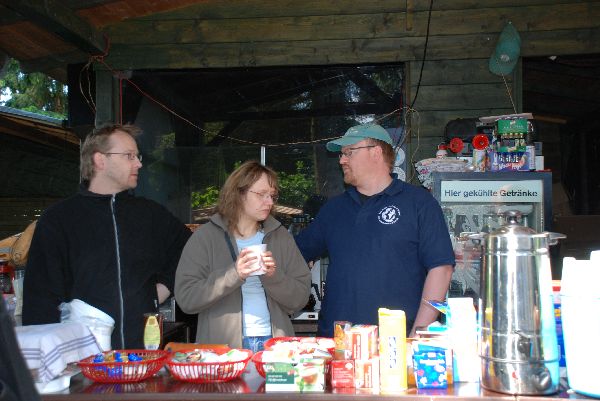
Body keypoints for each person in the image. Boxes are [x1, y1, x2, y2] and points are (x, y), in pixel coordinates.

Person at [22, 124, 192, 349]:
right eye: (129, 156)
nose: (139, 163)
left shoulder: (150, 214)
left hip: (141, 357)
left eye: (137, 156)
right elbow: (39, 300)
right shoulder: (58, 219)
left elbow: (188, 247)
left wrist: (164, 288)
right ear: (100, 160)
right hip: (83, 361)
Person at [295, 123, 455, 337]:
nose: (341, 160)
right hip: (336, 343)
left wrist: (418, 335)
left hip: (395, 344)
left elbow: (441, 269)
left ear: (376, 153)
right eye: (342, 154)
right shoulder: (334, 210)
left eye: (348, 152)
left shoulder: (418, 203)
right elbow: (294, 255)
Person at [175, 160, 311, 352]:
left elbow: (300, 299)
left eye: (272, 195)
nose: (270, 202)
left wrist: (273, 276)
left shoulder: (280, 236)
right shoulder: (205, 237)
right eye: (262, 194)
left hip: (275, 347)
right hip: (223, 351)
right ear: (239, 194)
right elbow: (186, 299)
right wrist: (234, 274)